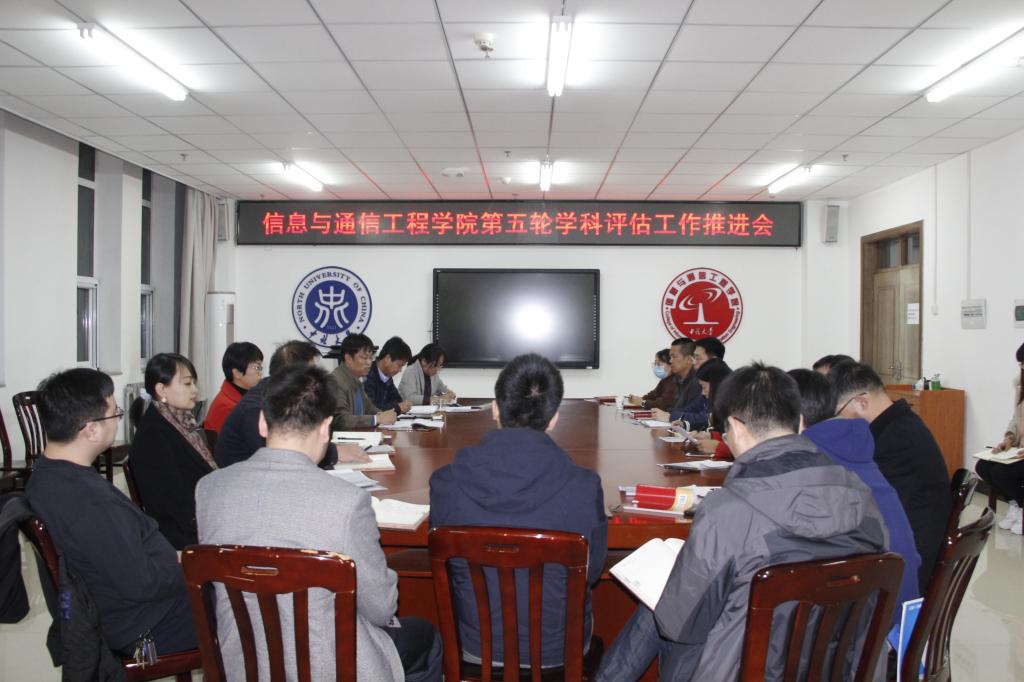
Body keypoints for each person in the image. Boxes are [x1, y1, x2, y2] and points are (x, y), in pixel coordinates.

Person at [597, 363, 887, 681]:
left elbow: (678, 625)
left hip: (743, 671)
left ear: (735, 427)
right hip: (837, 670)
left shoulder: (727, 512)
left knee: (666, 606)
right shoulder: (863, 499)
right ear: (801, 422)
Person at [196, 365, 441, 681]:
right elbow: (382, 608)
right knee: (424, 637)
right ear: (326, 428)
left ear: (262, 423)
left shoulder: (209, 489)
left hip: (240, 664)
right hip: (329, 666)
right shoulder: (347, 502)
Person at [429, 353, 607, 668]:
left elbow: (445, 567)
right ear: (554, 418)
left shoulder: (446, 483)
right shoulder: (584, 487)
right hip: (558, 653)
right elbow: (591, 573)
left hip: (474, 647)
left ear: (495, 409)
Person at [27, 368, 197, 657]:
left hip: (121, 610)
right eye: (115, 413)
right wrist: (192, 564)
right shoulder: (87, 500)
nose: (118, 419)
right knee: (250, 605)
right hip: (145, 624)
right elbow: (141, 583)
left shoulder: (45, 476)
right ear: (91, 429)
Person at [789, 368, 921, 626]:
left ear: (799, 421)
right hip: (900, 614)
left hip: (870, 632)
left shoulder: (816, 463)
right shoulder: (853, 447)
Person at [830, 360, 950, 593]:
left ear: (861, 402)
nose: (842, 422)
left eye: (840, 413)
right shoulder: (899, 423)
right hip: (910, 541)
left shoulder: (895, 440)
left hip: (907, 561)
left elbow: (875, 512)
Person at [214, 340, 366, 469]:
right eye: (311, 375)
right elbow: (283, 455)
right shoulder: (254, 409)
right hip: (247, 485)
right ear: (291, 377)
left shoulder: (282, 396)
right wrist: (335, 453)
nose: (315, 382)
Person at [129, 353, 216, 550]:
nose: (194, 390)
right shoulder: (153, 435)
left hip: (200, 520)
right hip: (181, 537)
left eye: (194, 383)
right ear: (161, 389)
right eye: (187, 383)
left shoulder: (181, 422)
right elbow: (174, 503)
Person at [974, 341, 1024, 534]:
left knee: (1002, 473)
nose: (1022, 368)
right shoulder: (1020, 387)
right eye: (1021, 364)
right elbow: (1015, 419)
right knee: (983, 466)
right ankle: (1015, 504)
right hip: (1018, 450)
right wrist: (1008, 440)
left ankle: (1021, 507)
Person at [330, 333, 398, 428]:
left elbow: (369, 408)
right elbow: (340, 420)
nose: (369, 362)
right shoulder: (335, 381)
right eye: (364, 358)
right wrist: (376, 419)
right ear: (348, 358)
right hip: (343, 437)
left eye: (371, 358)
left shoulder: (357, 380)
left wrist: (384, 414)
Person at [202, 341, 263, 434]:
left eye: (260, 367)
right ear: (237, 373)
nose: (260, 373)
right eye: (257, 367)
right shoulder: (225, 408)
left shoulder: (247, 396)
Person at [650, 337, 699, 423]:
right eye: (670, 357)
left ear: (689, 359)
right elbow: (677, 408)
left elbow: (694, 413)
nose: (670, 360)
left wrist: (670, 416)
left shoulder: (697, 381)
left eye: (674, 357)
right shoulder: (677, 379)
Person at [364, 336, 413, 414]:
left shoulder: (387, 377)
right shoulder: (367, 375)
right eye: (399, 365)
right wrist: (396, 408)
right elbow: (369, 409)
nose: (400, 370)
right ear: (388, 359)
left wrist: (398, 406)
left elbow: (398, 400)